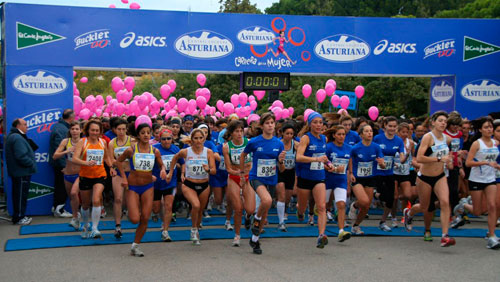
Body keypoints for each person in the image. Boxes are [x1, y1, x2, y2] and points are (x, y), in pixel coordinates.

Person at [404, 111, 456, 247]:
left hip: (440, 176)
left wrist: (450, 161)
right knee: (424, 206)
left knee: (445, 202)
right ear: (433, 122)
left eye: (445, 121)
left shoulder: (447, 139)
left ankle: (445, 236)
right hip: (425, 177)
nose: (443, 123)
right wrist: (439, 159)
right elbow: (419, 158)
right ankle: (409, 213)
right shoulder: (428, 137)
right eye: (440, 120)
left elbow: (448, 158)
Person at [116, 118, 167, 256]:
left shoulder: (155, 151)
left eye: (148, 133)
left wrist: (162, 169)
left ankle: (135, 245)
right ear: (138, 135)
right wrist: (124, 178)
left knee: (145, 217)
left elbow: (161, 164)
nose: (146, 135)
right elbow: (118, 162)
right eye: (143, 133)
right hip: (133, 186)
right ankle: (130, 211)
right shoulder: (131, 150)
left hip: (148, 186)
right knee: (135, 219)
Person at [240, 113, 285, 254]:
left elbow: (282, 168)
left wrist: (282, 161)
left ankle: (254, 239)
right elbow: (243, 155)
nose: (270, 125)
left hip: (271, 178)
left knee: (266, 207)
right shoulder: (254, 142)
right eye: (267, 123)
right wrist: (242, 173)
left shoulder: (279, 143)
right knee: (266, 200)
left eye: (272, 122)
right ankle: (256, 220)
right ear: (262, 126)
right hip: (256, 177)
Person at [452, 117, 500, 249]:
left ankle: (491, 236)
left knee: (492, 206)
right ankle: (464, 205)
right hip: (476, 180)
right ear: (480, 130)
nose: (489, 129)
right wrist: (484, 162)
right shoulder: (477, 144)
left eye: (490, 127)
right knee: (478, 211)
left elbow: (494, 160)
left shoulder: (495, 143)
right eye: (486, 127)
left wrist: (496, 166)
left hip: (490, 179)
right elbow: (468, 163)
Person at [166, 129, 216, 245]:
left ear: (204, 139)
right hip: (189, 184)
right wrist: (170, 172)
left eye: (200, 138)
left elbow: (213, 170)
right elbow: (175, 158)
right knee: (196, 205)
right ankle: (193, 230)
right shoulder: (186, 152)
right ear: (191, 140)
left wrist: (208, 169)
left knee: (199, 210)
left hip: (204, 184)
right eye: (196, 138)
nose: (198, 141)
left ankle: (196, 229)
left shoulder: (208, 152)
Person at [71, 120, 114, 239]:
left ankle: (95, 228)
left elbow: (106, 157)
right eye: (92, 130)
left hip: (100, 175)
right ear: (88, 131)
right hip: (85, 176)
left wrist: (111, 167)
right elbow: (75, 158)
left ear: (100, 132)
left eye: (97, 130)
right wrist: (86, 162)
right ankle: (85, 225)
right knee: (85, 204)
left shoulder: (103, 142)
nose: (95, 133)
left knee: (96, 200)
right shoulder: (82, 142)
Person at [296, 111, 332, 248]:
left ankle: (321, 235)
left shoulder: (324, 139)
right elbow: (298, 157)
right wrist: (317, 159)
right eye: (315, 122)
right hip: (305, 178)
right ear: (310, 124)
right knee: (303, 207)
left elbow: (323, 157)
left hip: (319, 177)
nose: (318, 125)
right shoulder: (306, 138)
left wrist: (329, 164)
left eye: (320, 122)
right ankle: (300, 212)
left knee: (321, 206)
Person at [348, 124, 385, 235]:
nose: (370, 133)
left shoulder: (376, 147)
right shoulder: (355, 148)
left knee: (367, 205)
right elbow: (349, 158)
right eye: (367, 131)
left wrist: (382, 164)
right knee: (363, 201)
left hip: (370, 177)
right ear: (361, 134)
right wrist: (350, 173)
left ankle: (356, 226)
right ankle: (354, 205)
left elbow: (382, 164)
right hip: (357, 178)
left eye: (371, 131)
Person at [223, 120, 254, 246]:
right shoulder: (227, 147)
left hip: (248, 177)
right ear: (231, 133)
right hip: (234, 177)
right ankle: (237, 235)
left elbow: (254, 161)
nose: (240, 133)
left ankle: (248, 217)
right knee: (238, 208)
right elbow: (228, 168)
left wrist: (247, 172)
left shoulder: (249, 143)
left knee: (250, 209)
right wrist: (238, 173)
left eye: (241, 131)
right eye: (237, 131)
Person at [373, 116, 406, 232]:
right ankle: (375, 194)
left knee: (391, 199)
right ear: (385, 126)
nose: (392, 128)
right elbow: (371, 151)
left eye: (394, 126)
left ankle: (383, 221)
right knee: (384, 196)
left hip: (389, 172)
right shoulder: (377, 138)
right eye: (390, 126)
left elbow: (402, 157)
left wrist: (404, 158)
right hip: (376, 172)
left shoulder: (398, 140)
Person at [152, 128, 183, 242]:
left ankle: (165, 231)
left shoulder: (175, 149)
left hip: (171, 182)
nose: (166, 141)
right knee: (156, 208)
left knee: (168, 206)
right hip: (156, 182)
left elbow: (182, 163)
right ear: (160, 139)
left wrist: (183, 172)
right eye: (163, 139)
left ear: (172, 139)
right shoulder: (155, 150)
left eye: (168, 138)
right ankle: (161, 219)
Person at [5, 118, 37, 225]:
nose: (27, 126)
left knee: (19, 195)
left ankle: (20, 215)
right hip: (21, 172)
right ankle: (19, 217)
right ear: (18, 126)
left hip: (20, 172)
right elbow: (21, 156)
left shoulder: (15, 136)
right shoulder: (17, 137)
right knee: (20, 196)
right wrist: (31, 163)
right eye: (24, 124)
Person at [52, 121, 83, 230]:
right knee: (72, 197)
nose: (74, 131)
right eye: (72, 129)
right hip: (68, 174)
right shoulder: (66, 141)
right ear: (69, 131)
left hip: (80, 174)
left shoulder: (84, 142)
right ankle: (76, 216)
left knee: (74, 193)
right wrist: (67, 151)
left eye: (77, 129)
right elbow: (55, 156)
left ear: (81, 130)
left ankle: (76, 217)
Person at [324, 125, 352, 242]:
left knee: (341, 205)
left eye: (343, 134)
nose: (341, 137)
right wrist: (333, 168)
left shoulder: (349, 148)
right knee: (323, 206)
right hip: (327, 179)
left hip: (341, 180)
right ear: (334, 135)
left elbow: (349, 168)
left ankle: (341, 231)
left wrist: (350, 178)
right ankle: (322, 232)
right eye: (339, 134)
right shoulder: (329, 147)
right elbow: (323, 164)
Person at [108, 118, 133, 238]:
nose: (121, 131)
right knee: (118, 199)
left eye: (123, 129)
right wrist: (112, 167)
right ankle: (118, 226)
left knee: (129, 201)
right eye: (119, 129)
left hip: (131, 174)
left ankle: (128, 212)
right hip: (118, 173)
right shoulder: (112, 143)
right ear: (114, 130)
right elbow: (110, 158)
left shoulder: (132, 141)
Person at [49, 109, 75, 218]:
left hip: (62, 163)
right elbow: (58, 149)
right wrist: (64, 166)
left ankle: (57, 207)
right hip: (61, 164)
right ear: (71, 117)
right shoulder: (61, 129)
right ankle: (59, 209)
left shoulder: (60, 127)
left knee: (61, 185)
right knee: (61, 186)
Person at [277, 123, 298, 231]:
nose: (289, 136)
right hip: (280, 172)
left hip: (291, 172)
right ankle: (281, 221)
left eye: (291, 134)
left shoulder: (296, 145)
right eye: (287, 133)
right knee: (281, 194)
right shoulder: (278, 144)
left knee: (288, 197)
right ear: (282, 134)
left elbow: (298, 162)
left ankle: (284, 210)